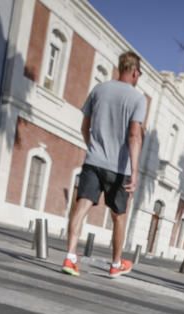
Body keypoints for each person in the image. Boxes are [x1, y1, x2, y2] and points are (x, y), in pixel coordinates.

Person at [61, 51, 146, 278]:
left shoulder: (99, 89)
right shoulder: (138, 99)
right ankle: (116, 264)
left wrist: (93, 147)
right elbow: (134, 136)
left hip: (94, 161)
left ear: (120, 68)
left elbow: (84, 125)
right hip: (120, 168)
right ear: (135, 72)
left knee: (81, 207)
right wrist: (135, 171)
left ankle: (70, 257)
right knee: (118, 216)